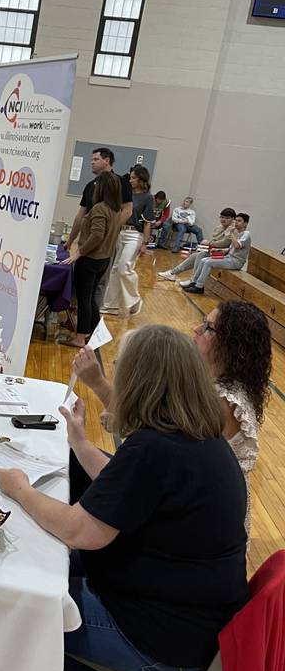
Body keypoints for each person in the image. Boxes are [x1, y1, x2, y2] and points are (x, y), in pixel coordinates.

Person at [0, 326, 248, 671]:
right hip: (189, 631)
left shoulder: (156, 449)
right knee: (56, 569)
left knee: (19, 604)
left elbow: (79, 530)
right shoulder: (196, 439)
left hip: (161, 646)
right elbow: (125, 486)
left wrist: (19, 489)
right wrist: (80, 443)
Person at [73, 298, 271, 533]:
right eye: (202, 322)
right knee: (78, 466)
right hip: (180, 493)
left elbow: (163, 451)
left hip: (193, 518)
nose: (196, 330)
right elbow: (154, 437)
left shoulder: (225, 402)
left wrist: (98, 385)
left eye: (208, 327)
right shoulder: (209, 382)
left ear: (231, 344)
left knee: (85, 488)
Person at [57, 171, 122, 347]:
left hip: (90, 260)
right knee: (91, 298)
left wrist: (79, 252)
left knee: (84, 299)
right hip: (103, 260)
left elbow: (96, 235)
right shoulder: (116, 210)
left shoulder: (100, 208)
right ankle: (95, 332)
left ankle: (80, 337)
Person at [100, 164, 154, 317]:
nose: (130, 180)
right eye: (130, 177)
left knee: (125, 267)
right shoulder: (127, 193)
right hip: (120, 232)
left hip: (135, 235)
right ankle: (111, 305)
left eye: (134, 178)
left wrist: (144, 243)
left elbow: (148, 222)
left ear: (141, 179)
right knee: (115, 269)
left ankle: (135, 299)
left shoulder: (148, 197)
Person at [158, 207, 236, 282]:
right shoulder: (219, 227)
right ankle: (173, 273)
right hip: (213, 250)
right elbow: (214, 240)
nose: (223, 219)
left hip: (224, 254)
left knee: (200, 255)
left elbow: (225, 243)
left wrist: (209, 243)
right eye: (222, 217)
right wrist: (209, 243)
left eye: (227, 218)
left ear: (233, 219)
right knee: (194, 255)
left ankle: (194, 280)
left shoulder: (233, 230)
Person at [183, 212, 251, 294]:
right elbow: (231, 249)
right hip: (229, 257)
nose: (236, 222)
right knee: (203, 260)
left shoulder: (246, 234)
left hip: (236, 261)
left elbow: (237, 246)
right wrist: (219, 250)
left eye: (239, 221)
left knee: (208, 262)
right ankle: (194, 282)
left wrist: (231, 234)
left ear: (245, 223)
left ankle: (199, 286)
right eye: (236, 220)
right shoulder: (237, 233)